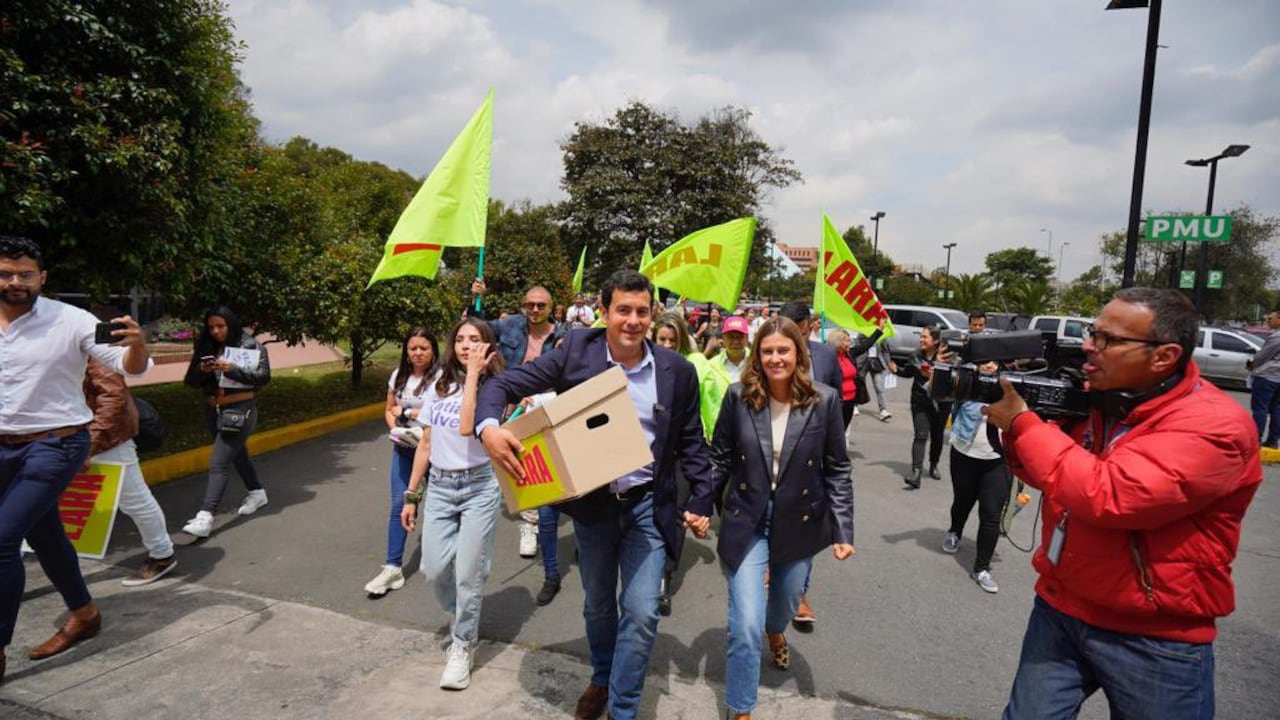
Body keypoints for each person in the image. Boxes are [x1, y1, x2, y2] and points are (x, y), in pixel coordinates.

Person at [984, 288, 1261, 720]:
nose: (1088, 346)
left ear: (1164, 356)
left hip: (1153, 636)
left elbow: (1110, 495)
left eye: (1108, 339)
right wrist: (1022, 428)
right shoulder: (1102, 397)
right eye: (1092, 333)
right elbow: (1056, 476)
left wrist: (1024, 424)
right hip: (1062, 606)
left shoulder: (1215, 425)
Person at [475, 269, 713, 720]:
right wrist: (489, 428)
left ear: (653, 314)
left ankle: (623, 708)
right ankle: (602, 677)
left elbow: (690, 442)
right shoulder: (576, 352)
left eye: (642, 311)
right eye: (623, 310)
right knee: (599, 605)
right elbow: (502, 384)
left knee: (642, 612)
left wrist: (701, 499)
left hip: (648, 506)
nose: (633, 321)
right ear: (604, 311)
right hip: (594, 509)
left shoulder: (677, 371)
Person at [0, 235, 151, 683]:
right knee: (45, 534)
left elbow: (128, 366)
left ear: (42, 278)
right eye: (5, 273)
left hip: (55, 444)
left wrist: (138, 345)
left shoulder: (71, 319)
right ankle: (84, 613)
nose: (15, 282)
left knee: (2, 540)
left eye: (25, 274)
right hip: (3, 446)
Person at [704, 316, 854, 720]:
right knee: (745, 625)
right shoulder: (739, 396)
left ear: (798, 354)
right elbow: (719, 458)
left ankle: (776, 630)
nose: (775, 358)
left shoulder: (824, 400)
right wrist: (699, 505)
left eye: (783, 350)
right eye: (767, 351)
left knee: (785, 605)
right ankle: (741, 709)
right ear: (757, 355)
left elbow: (837, 468)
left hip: (799, 519)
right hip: (748, 518)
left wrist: (843, 529)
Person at [400, 318, 504, 690]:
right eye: (460, 339)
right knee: (433, 567)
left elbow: (466, 426)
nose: (465, 345)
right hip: (441, 487)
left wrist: (474, 375)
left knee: (468, 574)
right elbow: (426, 444)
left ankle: (463, 643)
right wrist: (412, 495)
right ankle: (463, 612)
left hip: (479, 487)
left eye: (475, 339)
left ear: (487, 346)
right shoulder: (439, 384)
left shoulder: (495, 386)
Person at [470, 279, 564, 602]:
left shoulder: (564, 336)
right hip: (513, 416)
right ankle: (534, 532)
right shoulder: (510, 326)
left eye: (541, 305)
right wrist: (476, 299)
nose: (534, 310)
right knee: (524, 477)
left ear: (551, 308)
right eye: (529, 305)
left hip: (549, 418)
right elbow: (477, 329)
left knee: (553, 496)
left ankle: (555, 561)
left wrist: (543, 398)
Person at [651, 311, 729, 615]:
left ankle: (664, 576)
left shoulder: (692, 367)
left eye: (673, 340)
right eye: (662, 339)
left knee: (676, 514)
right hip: (651, 456)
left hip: (685, 453)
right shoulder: (642, 367)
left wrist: (712, 441)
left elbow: (710, 402)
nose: (667, 345)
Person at [774, 300, 843, 627]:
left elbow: (839, 405)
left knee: (805, 527)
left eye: (796, 333)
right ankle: (771, 574)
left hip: (811, 463)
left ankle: (799, 591)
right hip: (771, 456)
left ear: (807, 327)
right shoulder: (769, 351)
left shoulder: (826, 356)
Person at [84, 359, 177, 586]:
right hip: (57, 439)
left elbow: (112, 397)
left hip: (107, 441)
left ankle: (162, 555)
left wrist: (89, 445)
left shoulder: (87, 345)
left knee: (134, 501)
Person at [181, 306, 271, 538]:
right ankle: (257, 492)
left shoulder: (250, 346)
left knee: (218, 462)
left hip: (240, 409)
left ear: (230, 324)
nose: (216, 331)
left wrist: (232, 370)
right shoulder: (207, 346)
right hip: (215, 410)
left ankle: (205, 516)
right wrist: (202, 370)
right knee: (237, 454)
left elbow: (263, 378)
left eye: (220, 326)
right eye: (211, 327)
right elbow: (190, 381)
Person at [364, 328, 439, 597]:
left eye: (424, 348)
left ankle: (447, 561)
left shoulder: (442, 378)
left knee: (440, 506)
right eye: (412, 348)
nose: (418, 353)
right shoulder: (398, 376)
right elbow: (388, 409)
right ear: (406, 352)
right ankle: (393, 568)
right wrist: (396, 429)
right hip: (404, 448)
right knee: (400, 503)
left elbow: (439, 412)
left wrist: (409, 412)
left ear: (433, 351)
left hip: (435, 451)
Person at [940, 360, 1009, 594]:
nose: (989, 365)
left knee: (991, 514)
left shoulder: (1011, 384)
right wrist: (941, 369)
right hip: (964, 453)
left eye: (994, 362)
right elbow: (936, 391)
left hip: (999, 460)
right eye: (984, 361)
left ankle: (982, 568)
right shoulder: (966, 380)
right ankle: (955, 531)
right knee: (962, 501)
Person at [894, 325, 954, 489]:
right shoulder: (915, 355)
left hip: (942, 403)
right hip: (920, 401)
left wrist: (938, 368)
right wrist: (896, 370)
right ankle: (916, 473)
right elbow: (909, 372)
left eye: (925, 337)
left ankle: (934, 465)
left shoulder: (947, 355)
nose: (921, 339)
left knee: (937, 435)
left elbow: (954, 377)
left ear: (935, 340)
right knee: (920, 435)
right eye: (921, 336)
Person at [1246, 309, 1280, 448]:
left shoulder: (1277, 337)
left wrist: (1251, 364)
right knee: (1276, 409)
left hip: (1267, 376)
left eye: (1270, 318)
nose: (1268, 321)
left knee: (1260, 409)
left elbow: (1262, 356)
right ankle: (1273, 440)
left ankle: (1256, 439)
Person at [711, 315, 751, 383]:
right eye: (731, 337)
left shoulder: (757, 362)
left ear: (747, 338)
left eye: (740, 337)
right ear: (723, 338)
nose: (736, 342)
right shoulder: (712, 365)